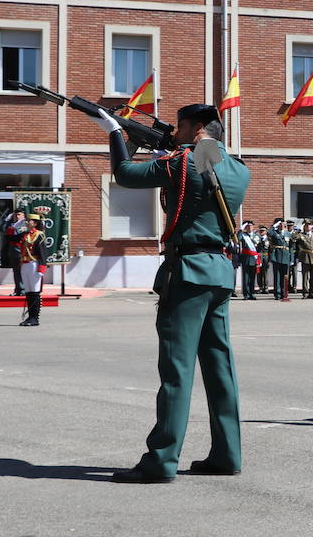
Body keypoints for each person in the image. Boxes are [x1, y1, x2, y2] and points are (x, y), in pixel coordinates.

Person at [97, 103, 250, 483]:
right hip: (218, 272)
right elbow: (202, 169)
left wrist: (116, 134)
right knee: (220, 369)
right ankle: (226, 453)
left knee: (176, 372)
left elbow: (125, 174)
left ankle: (161, 460)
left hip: (187, 274)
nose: (176, 132)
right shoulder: (238, 168)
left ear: (197, 128)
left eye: (181, 126)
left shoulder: (184, 162)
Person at [17, 212, 49, 326]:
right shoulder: (25, 234)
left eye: (29, 220)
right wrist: (17, 223)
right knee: (29, 291)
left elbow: (43, 253)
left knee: (35, 292)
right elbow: (10, 236)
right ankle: (30, 317)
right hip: (25, 264)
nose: (27, 222)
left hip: (34, 264)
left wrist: (41, 269)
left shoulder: (39, 235)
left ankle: (35, 318)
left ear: (34, 223)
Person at [3, 209, 28, 295]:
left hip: (20, 249)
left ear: (23, 215)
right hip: (12, 249)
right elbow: (5, 233)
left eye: (19, 214)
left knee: (22, 270)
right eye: (15, 215)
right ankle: (18, 289)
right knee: (16, 271)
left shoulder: (25, 224)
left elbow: (18, 235)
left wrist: (11, 233)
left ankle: (23, 289)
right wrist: (6, 221)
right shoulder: (12, 224)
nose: (17, 216)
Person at [268, 219, 292, 300]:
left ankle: (284, 293)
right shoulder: (274, 233)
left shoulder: (288, 234)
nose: (282, 225)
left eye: (283, 224)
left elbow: (291, 247)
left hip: (285, 257)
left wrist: (291, 259)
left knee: (284, 276)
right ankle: (277, 293)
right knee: (277, 276)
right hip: (277, 256)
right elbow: (269, 233)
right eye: (280, 224)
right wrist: (274, 225)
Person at [236, 222, 260, 300]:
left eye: (251, 226)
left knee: (252, 277)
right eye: (247, 226)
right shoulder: (243, 235)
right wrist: (240, 230)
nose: (249, 228)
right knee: (246, 277)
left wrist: (260, 259)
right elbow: (237, 239)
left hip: (254, 258)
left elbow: (260, 248)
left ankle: (252, 293)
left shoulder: (257, 236)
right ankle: (246, 294)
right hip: (246, 258)